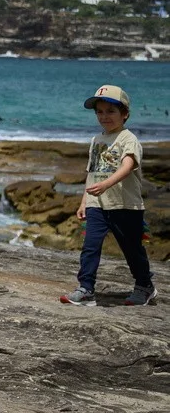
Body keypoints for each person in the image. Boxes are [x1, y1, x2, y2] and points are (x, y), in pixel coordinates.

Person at [61, 85, 157, 307]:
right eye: (100, 112)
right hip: (98, 204)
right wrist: (85, 201)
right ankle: (86, 289)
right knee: (91, 246)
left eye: (111, 111)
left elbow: (128, 166)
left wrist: (106, 184)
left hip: (125, 204)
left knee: (132, 249)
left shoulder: (128, 138)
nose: (104, 117)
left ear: (125, 114)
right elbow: (91, 173)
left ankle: (145, 286)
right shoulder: (97, 140)